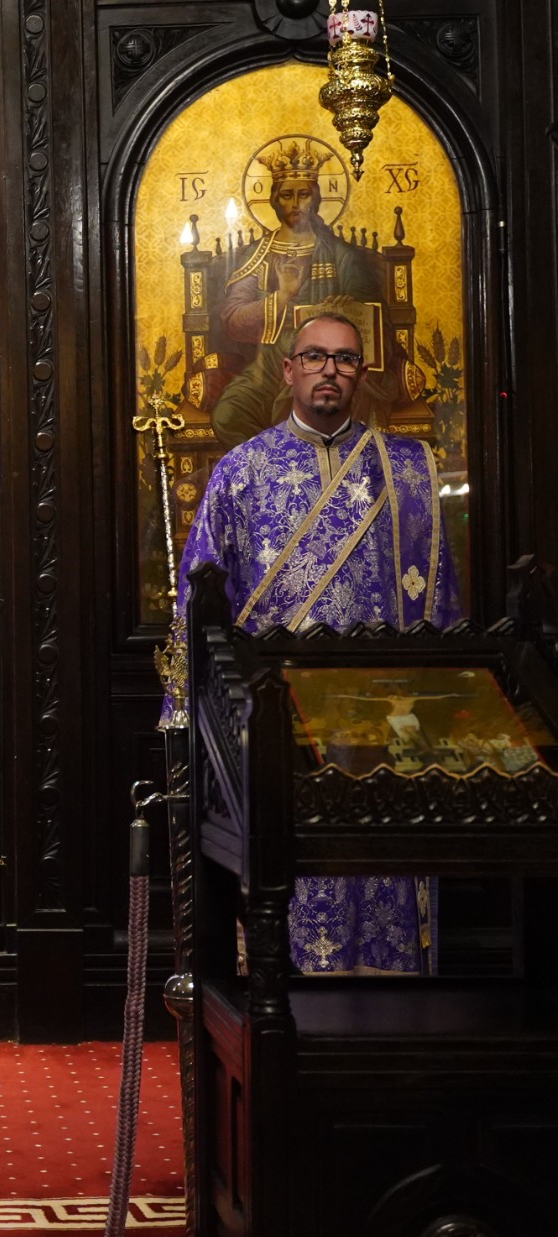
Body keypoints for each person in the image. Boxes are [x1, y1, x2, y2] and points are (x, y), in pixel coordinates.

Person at [170, 309, 460, 975]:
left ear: (361, 373)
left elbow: (438, 601)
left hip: (386, 724)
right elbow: (199, 602)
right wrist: (188, 713)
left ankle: (389, 1020)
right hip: (280, 728)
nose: (330, 370)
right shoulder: (240, 473)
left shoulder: (406, 470)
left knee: (378, 876)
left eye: (346, 358)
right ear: (289, 370)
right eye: (316, 357)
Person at [210, 139, 398, 448]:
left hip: (330, 363)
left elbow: (375, 319)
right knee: (228, 414)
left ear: (316, 199)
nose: (296, 203)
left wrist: (346, 311)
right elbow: (232, 320)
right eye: (287, 195)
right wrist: (282, 296)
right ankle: (276, 466)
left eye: (304, 194)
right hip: (270, 365)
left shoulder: (340, 255)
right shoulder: (258, 256)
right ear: (275, 201)